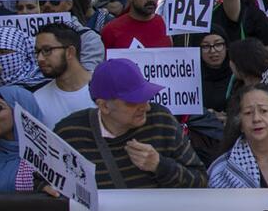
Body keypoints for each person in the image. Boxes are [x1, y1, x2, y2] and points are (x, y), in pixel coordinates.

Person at [53, 59, 205, 189]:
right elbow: (43, 180)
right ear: (104, 106)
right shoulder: (70, 133)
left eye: (146, 96)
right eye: (133, 101)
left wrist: (160, 165)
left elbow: (201, 181)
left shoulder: (160, 120)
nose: (146, 107)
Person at [31, 23, 94, 124]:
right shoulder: (37, 100)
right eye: (37, 52)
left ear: (70, 52)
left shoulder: (105, 87)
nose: (40, 59)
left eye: (47, 50)